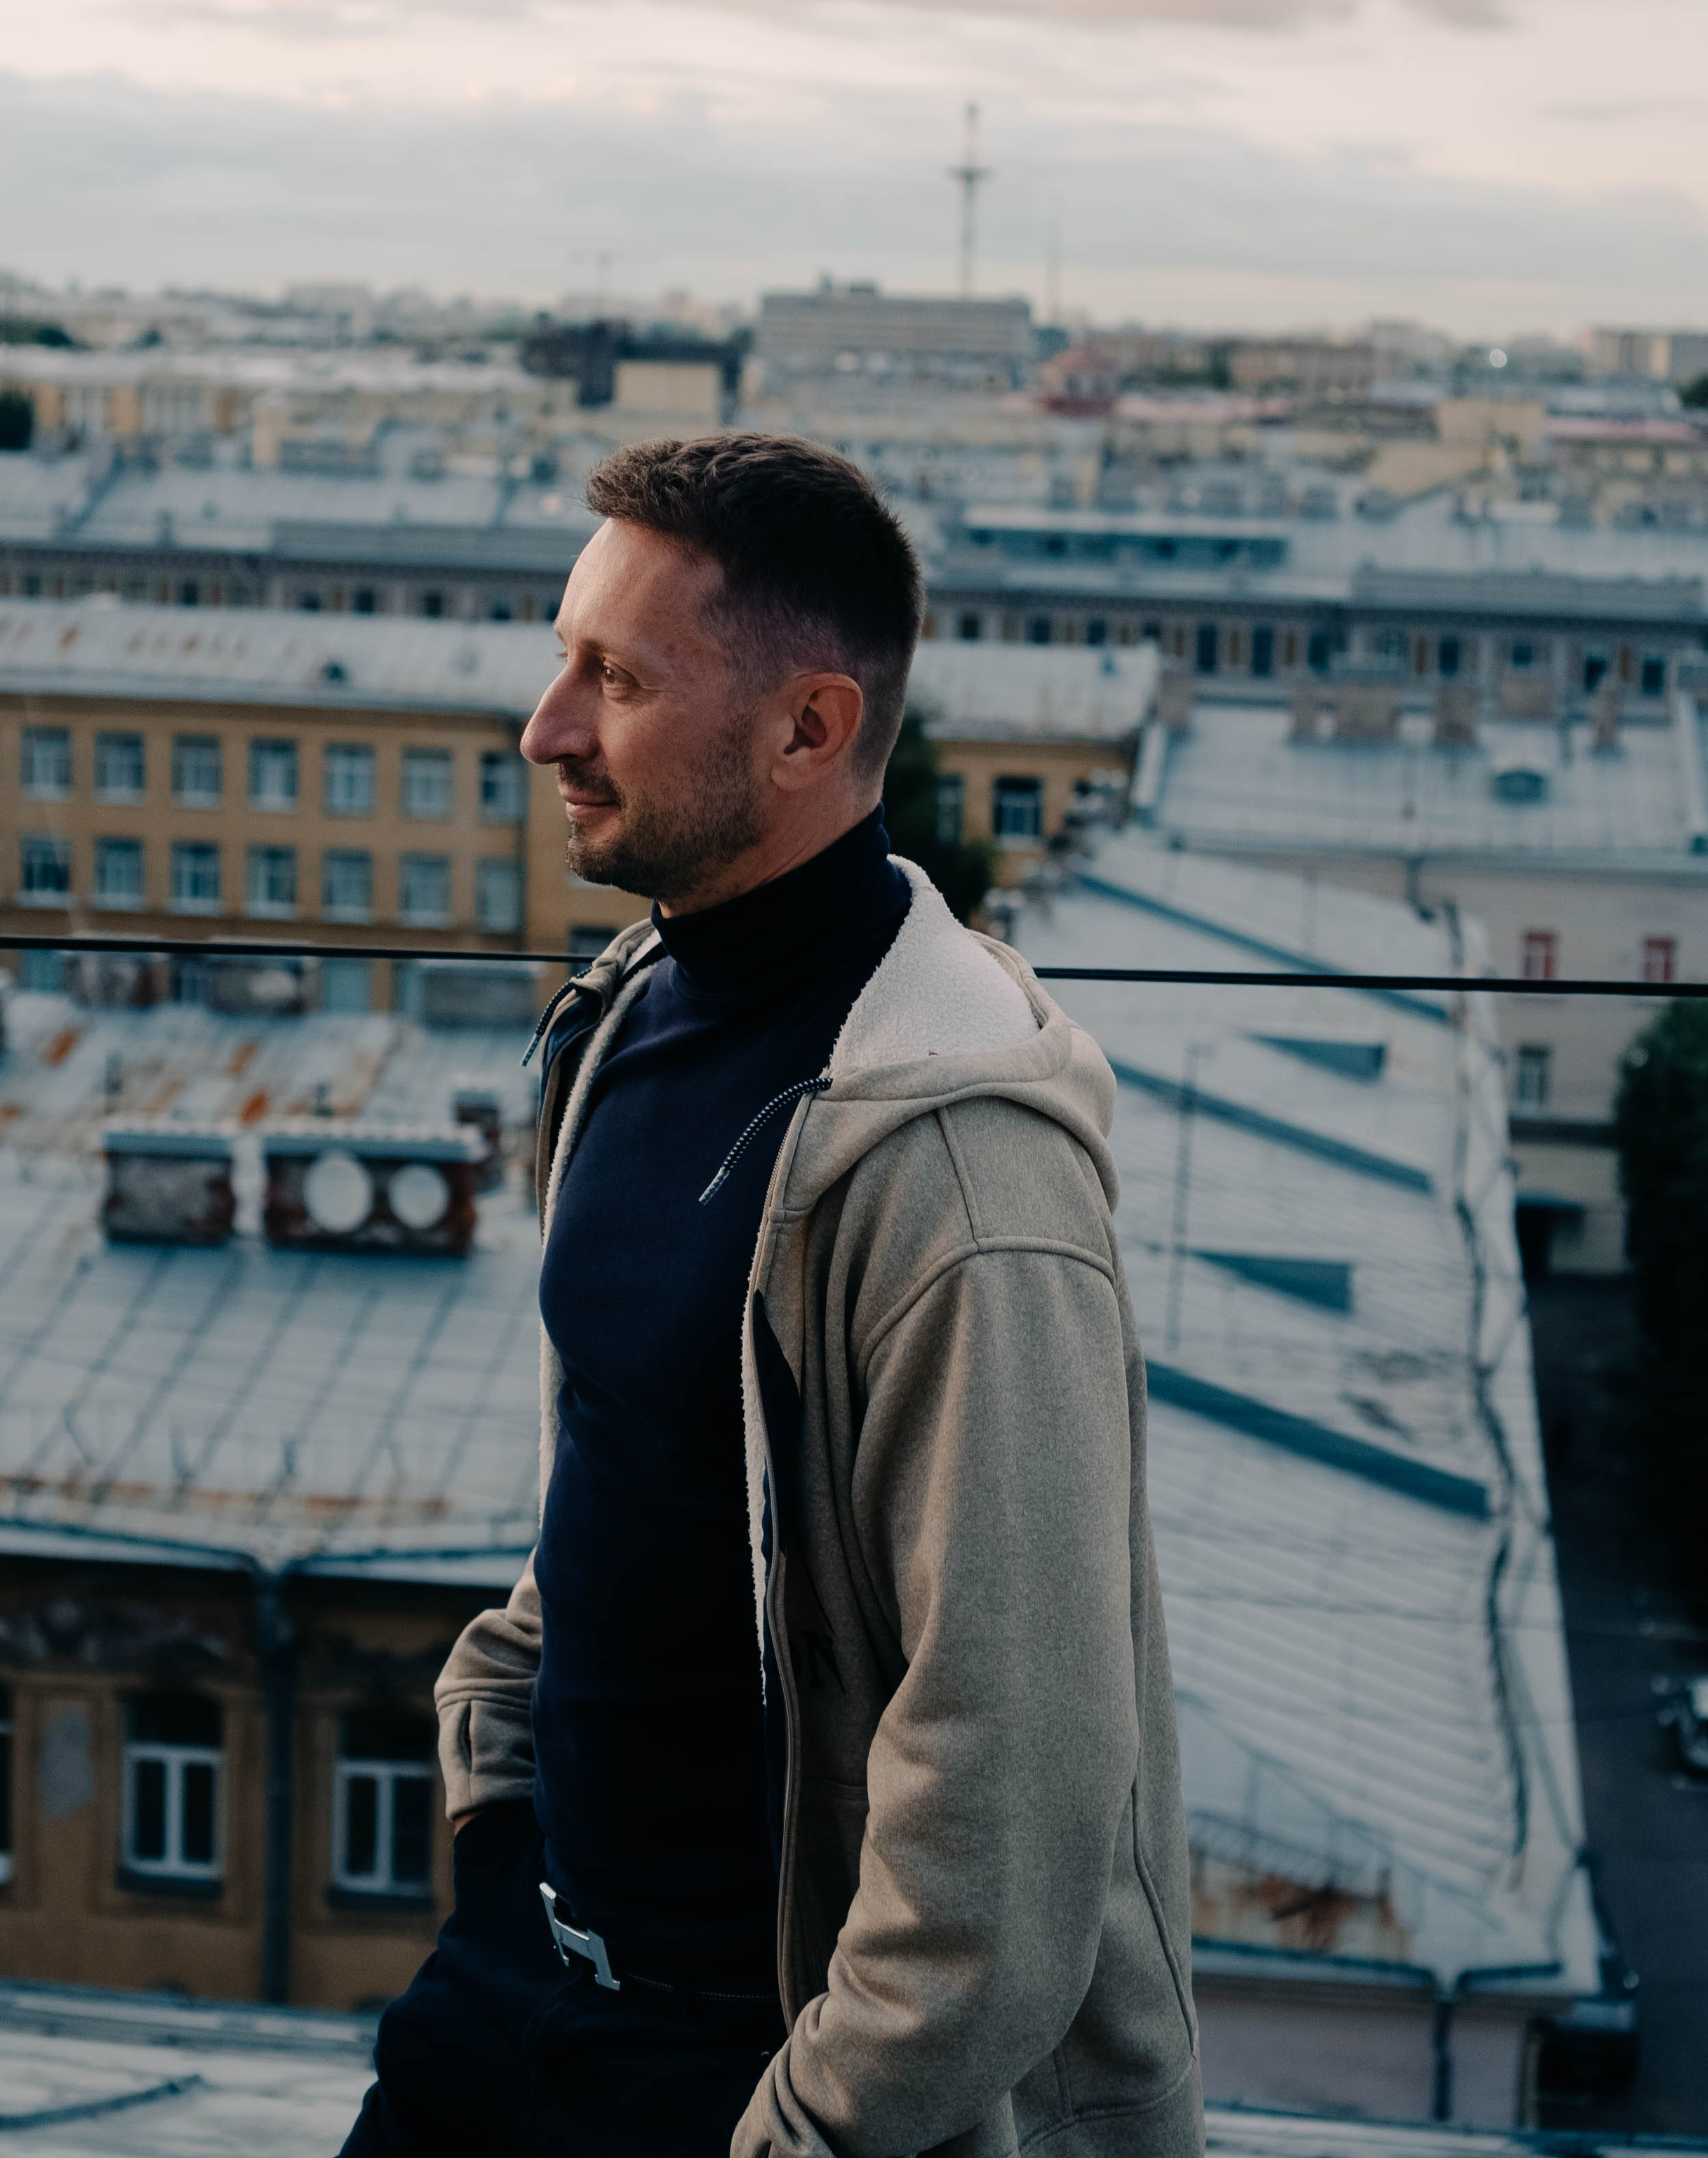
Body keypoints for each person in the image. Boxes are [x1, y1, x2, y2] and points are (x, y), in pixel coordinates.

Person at [342, 433, 1199, 2158]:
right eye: (561, 657)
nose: (544, 729)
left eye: (616, 679)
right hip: (530, 1986)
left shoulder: (961, 1181)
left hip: (756, 2074)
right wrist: (496, 1804)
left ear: (809, 730)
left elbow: (1008, 1799)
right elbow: (629, 1477)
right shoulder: (632, 1007)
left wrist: (798, 2126)